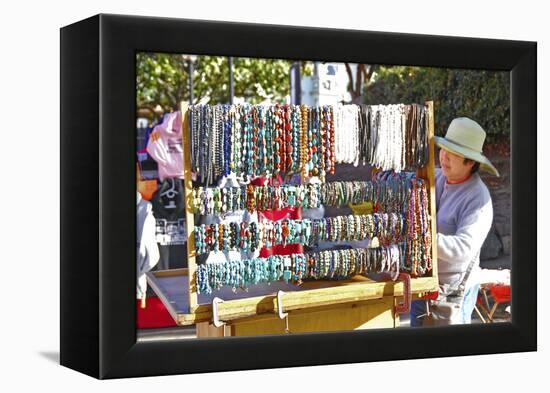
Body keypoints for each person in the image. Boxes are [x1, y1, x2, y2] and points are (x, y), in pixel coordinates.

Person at [410, 117, 500, 326]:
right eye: (444, 149)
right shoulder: (437, 177)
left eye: (454, 154)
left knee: (449, 352)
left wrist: (421, 238)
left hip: (452, 291)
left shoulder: (478, 198)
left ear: (470, 162)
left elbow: (463, 249)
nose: (444, 156)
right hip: (423, 282)